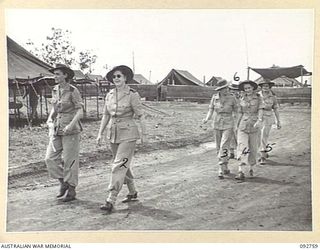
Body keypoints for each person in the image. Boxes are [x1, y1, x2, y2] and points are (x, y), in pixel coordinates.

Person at [96, 65, 146, 213]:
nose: (116, 79)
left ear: (125, 78)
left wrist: (145, 134)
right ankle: (132, 191)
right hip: (113, 134)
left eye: (119, 76)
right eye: (114, 76)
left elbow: (141, 115)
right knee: (123, 164)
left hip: (128, 134)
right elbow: (106, 115)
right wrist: (100, 133)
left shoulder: (132, 94)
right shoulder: (109, 94)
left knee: (118, 165)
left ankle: (110, 199)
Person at [44, 64, 83, 202]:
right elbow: (55, 109)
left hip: (71, 130)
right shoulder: (55, 90)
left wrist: (71, 125)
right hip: (57, 128)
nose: (55, 76)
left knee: (70, 160)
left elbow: (80, 110)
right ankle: (63, 182)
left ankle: (71, 189)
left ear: (65, 75)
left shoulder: (73, 90)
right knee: (50, 158)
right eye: (55, 74)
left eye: (58, 74)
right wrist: (49, 119)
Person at [203, 79, 238, 179]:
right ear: (220, 89)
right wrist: (206, 118)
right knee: (218, 146)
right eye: (223, 88)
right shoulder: (215, 98)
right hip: (217, 122)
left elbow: (236, 110)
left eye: (227, 88)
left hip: (228, 123)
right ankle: (225, 166)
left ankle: (221, 167)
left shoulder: (232, 98)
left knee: (224, 145)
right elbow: (211, 109)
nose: (226, 90)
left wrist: (238, 121)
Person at [235, 80, 264, 181]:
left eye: (249, 88)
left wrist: (259, 120)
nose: (247, 90)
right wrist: (236, 125)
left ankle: (251, 167)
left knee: (253, 148)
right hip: (243, 125)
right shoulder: (241, 98)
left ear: (253, 88)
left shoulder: (259, 98)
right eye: (245, 88)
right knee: (242, 146)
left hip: (254, 125)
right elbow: (239, 112)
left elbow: (261, 109)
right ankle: (241, 170)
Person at [258, 79, 281, 165]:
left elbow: (276, 108)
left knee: (264, 135)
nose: (265, 88)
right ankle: (262, 151)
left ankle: (262, 155)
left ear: (269, 87)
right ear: (261, 87)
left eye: (267, 86)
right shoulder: (257, 96)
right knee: (257, 136)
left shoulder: (273, 97)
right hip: (257, 117)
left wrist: (278, 121)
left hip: (268, 117)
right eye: (263, 86)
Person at [228, 82, 241, 159]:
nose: (233, 91)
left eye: (235, 90)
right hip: (230, 118)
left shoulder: (241, 98)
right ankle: (231, 152)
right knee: (230, 135)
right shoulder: (228, 98)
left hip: (239, 117)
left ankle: (240, 152)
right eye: (232, 90)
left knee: (238, 135)